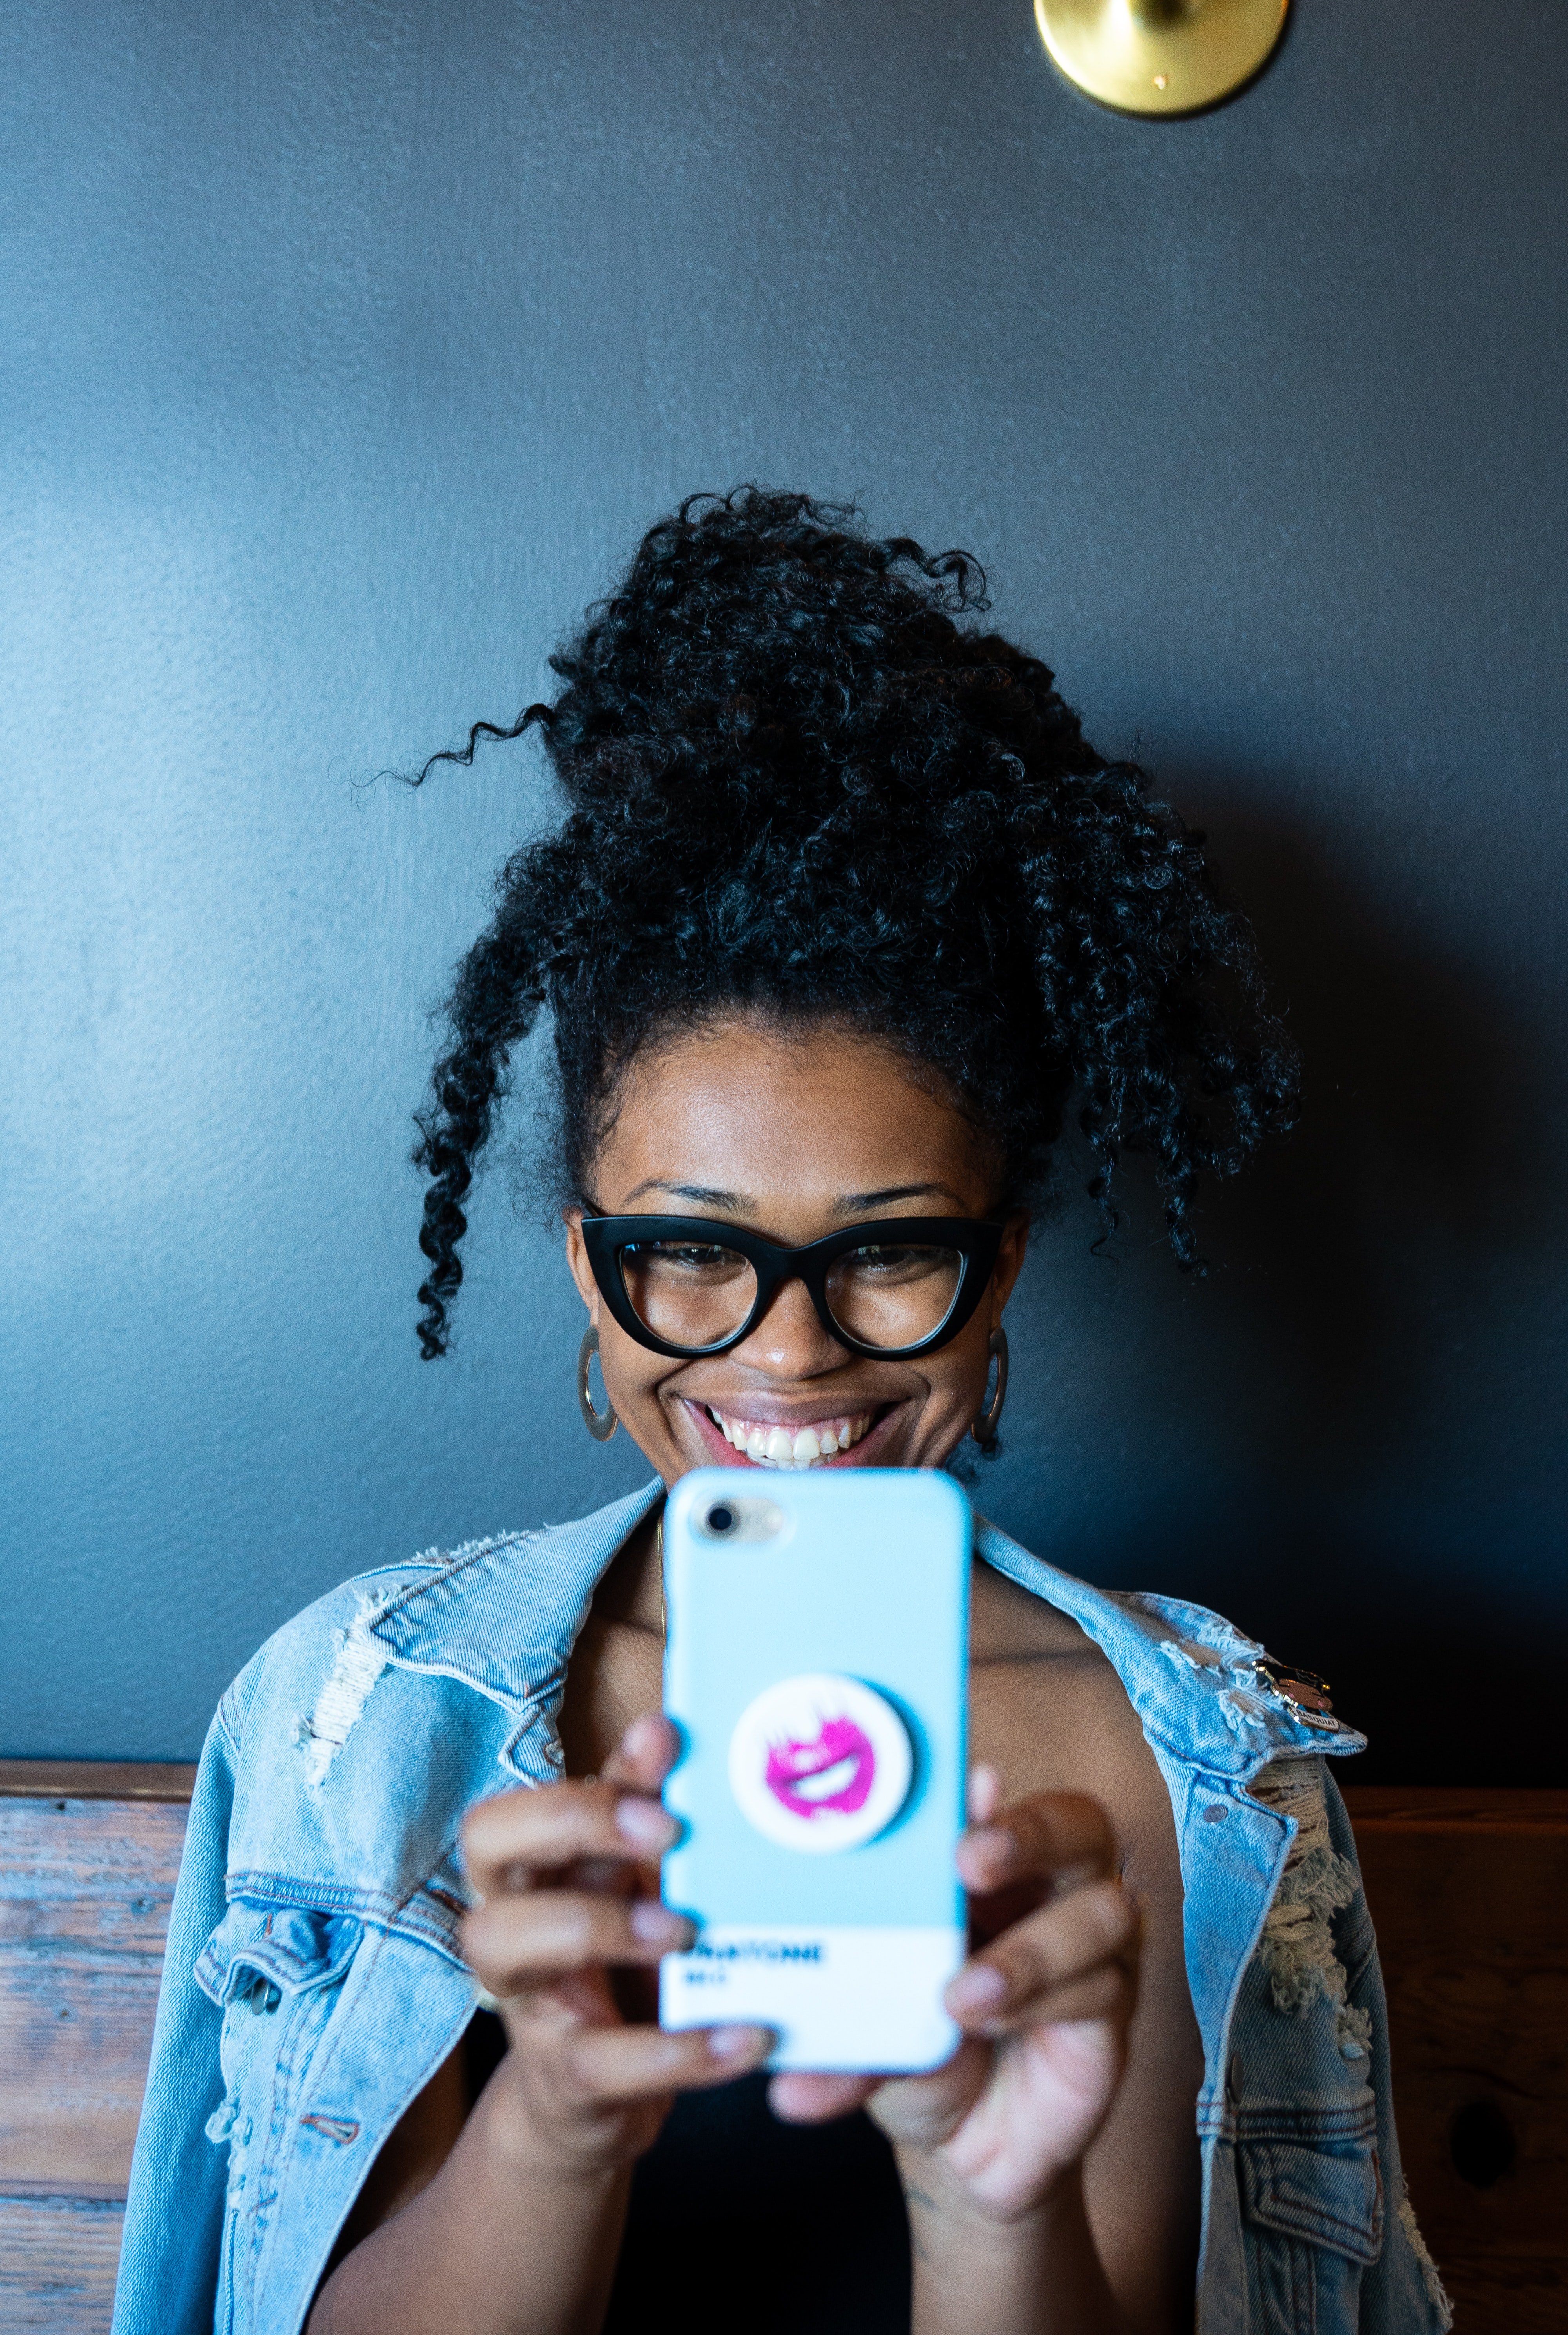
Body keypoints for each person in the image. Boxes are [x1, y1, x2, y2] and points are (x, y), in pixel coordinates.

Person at [112, 490, 1451, 2335]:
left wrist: (994, 2199)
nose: (792, 1353)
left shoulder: (1180, 1774)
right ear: (592, 1270)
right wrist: (557, 2127)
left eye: (891, 1253)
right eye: (691, 1255)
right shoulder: (360, 1726)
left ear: (1002, 1264)